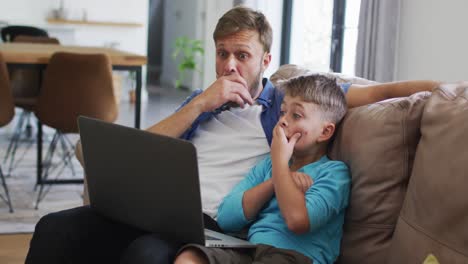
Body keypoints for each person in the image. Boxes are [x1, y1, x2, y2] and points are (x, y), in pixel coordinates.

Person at [25, 6, 439, 264]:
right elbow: (141, 149)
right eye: (223, 53)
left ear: (265, 59)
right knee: (54, 228)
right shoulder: (201, 102)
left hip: (213, 227)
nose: (229, 65)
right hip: (155, 211)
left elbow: (382, 92)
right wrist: (201, 104)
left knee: (145, 255)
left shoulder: (287, 104)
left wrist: (445, 89)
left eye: (242, 55)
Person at [175, 74, 350, 264]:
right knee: (190, 257)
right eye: (282, 112)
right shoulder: (269, 165)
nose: (283, 120)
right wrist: (275, 180)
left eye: (296, 115)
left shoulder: (334, 174)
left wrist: (280, 162)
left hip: (294, 257)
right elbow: (226, 217)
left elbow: (297, 220)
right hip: (251, 251)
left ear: (325, 132)